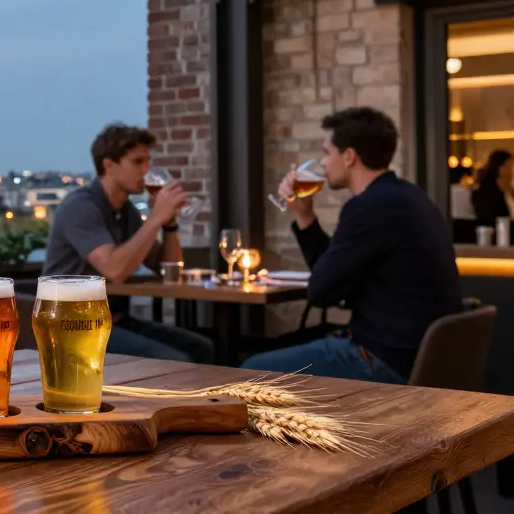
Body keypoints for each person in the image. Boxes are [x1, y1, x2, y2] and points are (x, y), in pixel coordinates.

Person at [242, 107, 462, 383]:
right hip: (422, 360)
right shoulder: (408, 197)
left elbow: (321, 293)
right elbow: (331, 281)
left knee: (250, 369)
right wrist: (305, 215)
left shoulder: (369, 207)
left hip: (385, 361)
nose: (322, 163)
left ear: (349, 157)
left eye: (326, 152)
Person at [42, 123, 215, 363]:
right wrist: (155, 218)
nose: (147, 170)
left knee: (202, 348)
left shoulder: (126, 211)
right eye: (137, 162)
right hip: (73, 325)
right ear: (109, 165)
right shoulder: (80, 207)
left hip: (113, 319)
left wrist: (169, 223)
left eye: (148, 162)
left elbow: (168, 269)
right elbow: (115, 270)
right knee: (174, 359)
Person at [471, 149, 513, 231]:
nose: (512, 170)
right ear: (501, 168)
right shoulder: (487, 193)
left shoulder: (509, 189)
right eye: (510, 166)